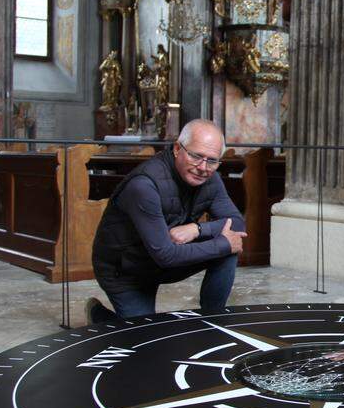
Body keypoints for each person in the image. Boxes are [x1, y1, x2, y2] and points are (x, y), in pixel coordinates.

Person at [85, 119, 247, 322]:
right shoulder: (144, 186)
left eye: (212, 160)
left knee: (228, 249)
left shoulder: (209, 178)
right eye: (196, 156)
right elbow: (165, 254)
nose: (203, 167)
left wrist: (197, 229)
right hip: (126, 271)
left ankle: (212, 320)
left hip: (163, 259)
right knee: (147, 341)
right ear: (178, 149)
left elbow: (237, 224)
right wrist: (222, 242)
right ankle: (98, 315)